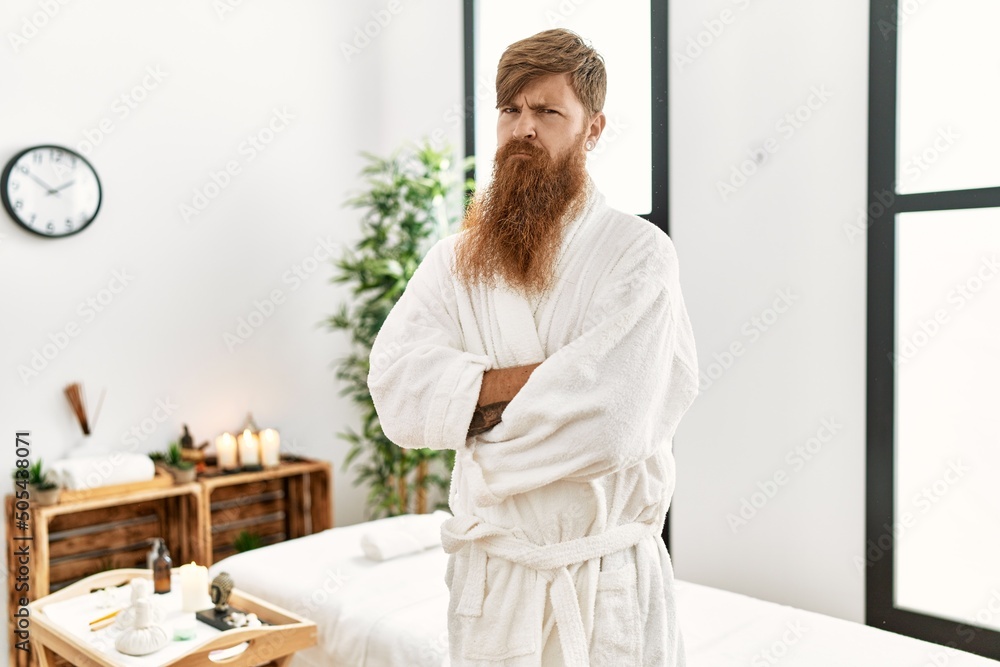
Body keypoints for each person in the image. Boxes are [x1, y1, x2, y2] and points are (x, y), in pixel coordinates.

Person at [368, 28, 698, 666]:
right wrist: (551, 381)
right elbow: (398, 394)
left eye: (548, 111)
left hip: (604, 588)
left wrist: (466, 410)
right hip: (496, 586)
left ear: (592, 129)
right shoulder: (455, 261)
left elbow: (611, 423)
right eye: (510, 110)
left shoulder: (637, 255)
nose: (523, 128)